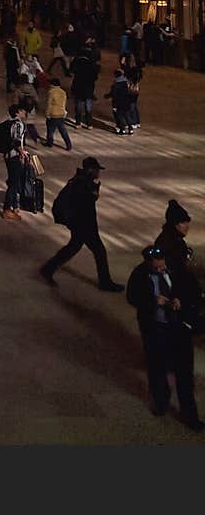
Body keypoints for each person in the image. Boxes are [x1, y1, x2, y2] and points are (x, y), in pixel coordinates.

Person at [126, 245, 203, 430]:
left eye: (162, 266)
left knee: (185, 373)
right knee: (157, 368)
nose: (160, 269)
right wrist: (153, 301)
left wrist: (180, 300)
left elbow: (194, 291)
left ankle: (189, 413)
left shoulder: (178, 270)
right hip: (155, 329)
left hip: (179, 328)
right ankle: (161, 402)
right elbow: (132, 297)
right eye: (156, 268)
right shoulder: (140, 274)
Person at [40, 157, 124, 290]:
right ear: (90, 169)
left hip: (80, 224)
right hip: (84, 225)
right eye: (97, 170)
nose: (98, 173)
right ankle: (105, 282)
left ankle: (48, 269)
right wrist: (94, 193)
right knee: (99, 251)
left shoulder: (82, 181)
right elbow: (83, 205)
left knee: (73, 248)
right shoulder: (82, 184)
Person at [0, 104, 28, 220]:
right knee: (13, 183)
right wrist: (22, 152)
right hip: (14, 156)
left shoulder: (9, 122)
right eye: (22, 110)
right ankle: (7, 209)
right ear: (17, 113)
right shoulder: (18, 124)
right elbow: (16, 141)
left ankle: (15, 206)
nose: (24, 112)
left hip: (8, 155)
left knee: (14, 181)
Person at [45, 78, 72, 150]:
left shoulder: (51, 92)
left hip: (53, 114)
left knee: (50, 130)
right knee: (63, 131)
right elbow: (64, 103)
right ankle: (68, 144)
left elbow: (49, 104)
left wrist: (47, 114)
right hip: (61, 113)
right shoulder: (63, 92)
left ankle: (50, 143)